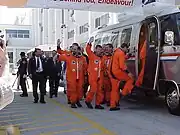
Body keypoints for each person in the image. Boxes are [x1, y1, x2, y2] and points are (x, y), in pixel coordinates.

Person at [111, 43, 142, 110]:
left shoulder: (117, 51)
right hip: (118, 72)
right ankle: (125, 92)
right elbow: (122, 66)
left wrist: (127, 56)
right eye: (127, 48)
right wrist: (128, 73)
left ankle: (114, 104)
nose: (127, 49)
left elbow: (120, 59)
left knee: (115, 90)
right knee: (131, 78)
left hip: (113, 72)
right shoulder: (121, 53)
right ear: (124, 47)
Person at [85, 41, 105, 109]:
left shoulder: (102, 58)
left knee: (100, 90)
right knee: (93, 89)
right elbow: (87, 50)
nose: (99, 51)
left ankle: (98, 104)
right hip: (93, 76)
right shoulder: (92, 56)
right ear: (95, 50)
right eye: (98, 49)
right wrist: (89, 43)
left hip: (100, 76)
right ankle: (88, 100)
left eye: (100, 50)